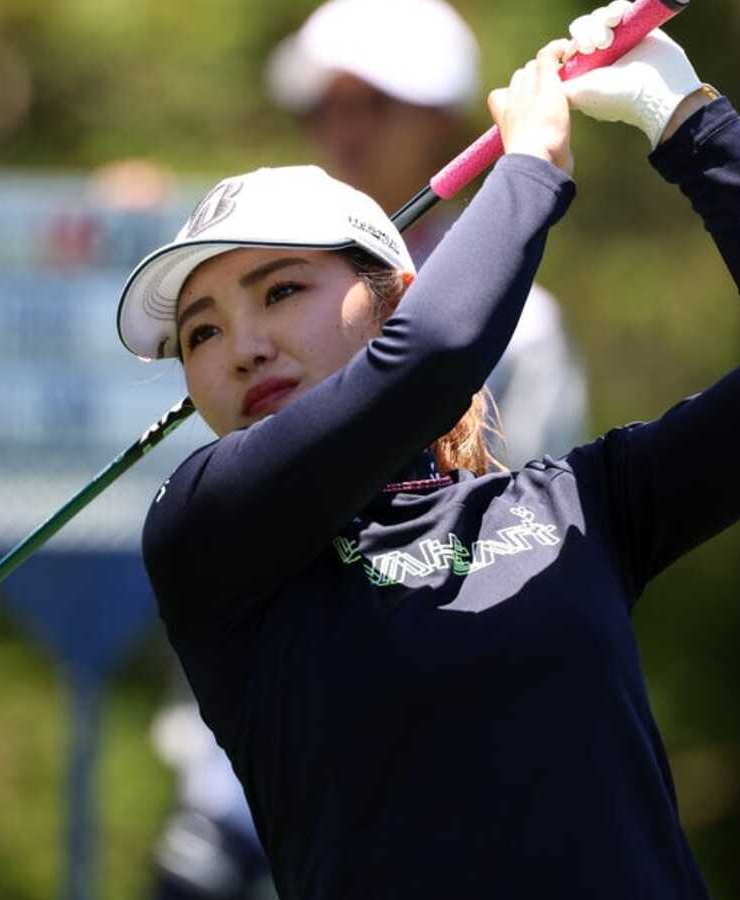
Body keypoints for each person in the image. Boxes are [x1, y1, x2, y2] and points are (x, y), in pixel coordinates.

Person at [116, 3, 740, 898]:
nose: (241, 345)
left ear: (395, 296)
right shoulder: (208, 532)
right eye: (201, 334)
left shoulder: (578, 507)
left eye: (281, 289)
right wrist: (530, 167)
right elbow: (435, 359)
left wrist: (688, 119)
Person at [145, 3, 584, 896]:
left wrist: (535, 169)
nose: (342, 132)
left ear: (448, 122)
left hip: (439, 770)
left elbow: (520, 547)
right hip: (244, 801)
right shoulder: (242, 296)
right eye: (323, 109)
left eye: (374, 105)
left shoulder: (523, 328)